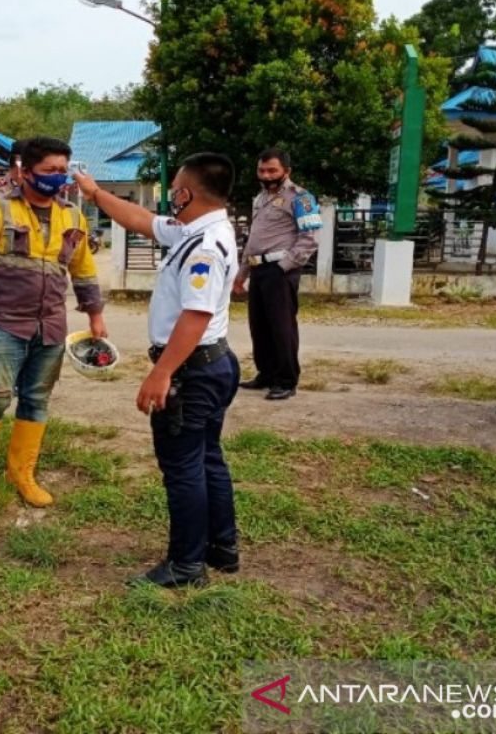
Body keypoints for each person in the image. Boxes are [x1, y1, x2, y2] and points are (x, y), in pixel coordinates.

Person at [74, 153, 241, 589]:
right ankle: (221, 547)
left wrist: (161, 373)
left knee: (183, 467)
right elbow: (141, 220)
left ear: (187, 193)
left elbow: (195, 315)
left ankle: (186, 566)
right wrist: (94, 194)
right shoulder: (199, 228)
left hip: (192, 371)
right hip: (213, 364)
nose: (171, 197)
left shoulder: (203, 246)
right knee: (207, 459)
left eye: (176, 189)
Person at [0, 136, 106, 507]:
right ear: (25, 171)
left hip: (51, 324)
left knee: (36, 399)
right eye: (48, 170)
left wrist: (96, 316)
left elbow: (83, 269)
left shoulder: (72, 215)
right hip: (3, 323)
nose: (57, 178)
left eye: (62, 171)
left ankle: (21, 472)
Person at [235, 148, 321, 400]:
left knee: (281, 327)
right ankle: (267, 374)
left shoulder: (301, 198)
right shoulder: (260, 199)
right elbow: (253, 241)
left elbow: (310, 239)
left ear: (286, 171)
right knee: (259, 326)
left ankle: (286, 379)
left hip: (280, 270)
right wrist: (242, 274)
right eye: (262, 170)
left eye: (272, 170)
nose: (266, 174)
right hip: (258, 268)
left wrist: (284, 267)